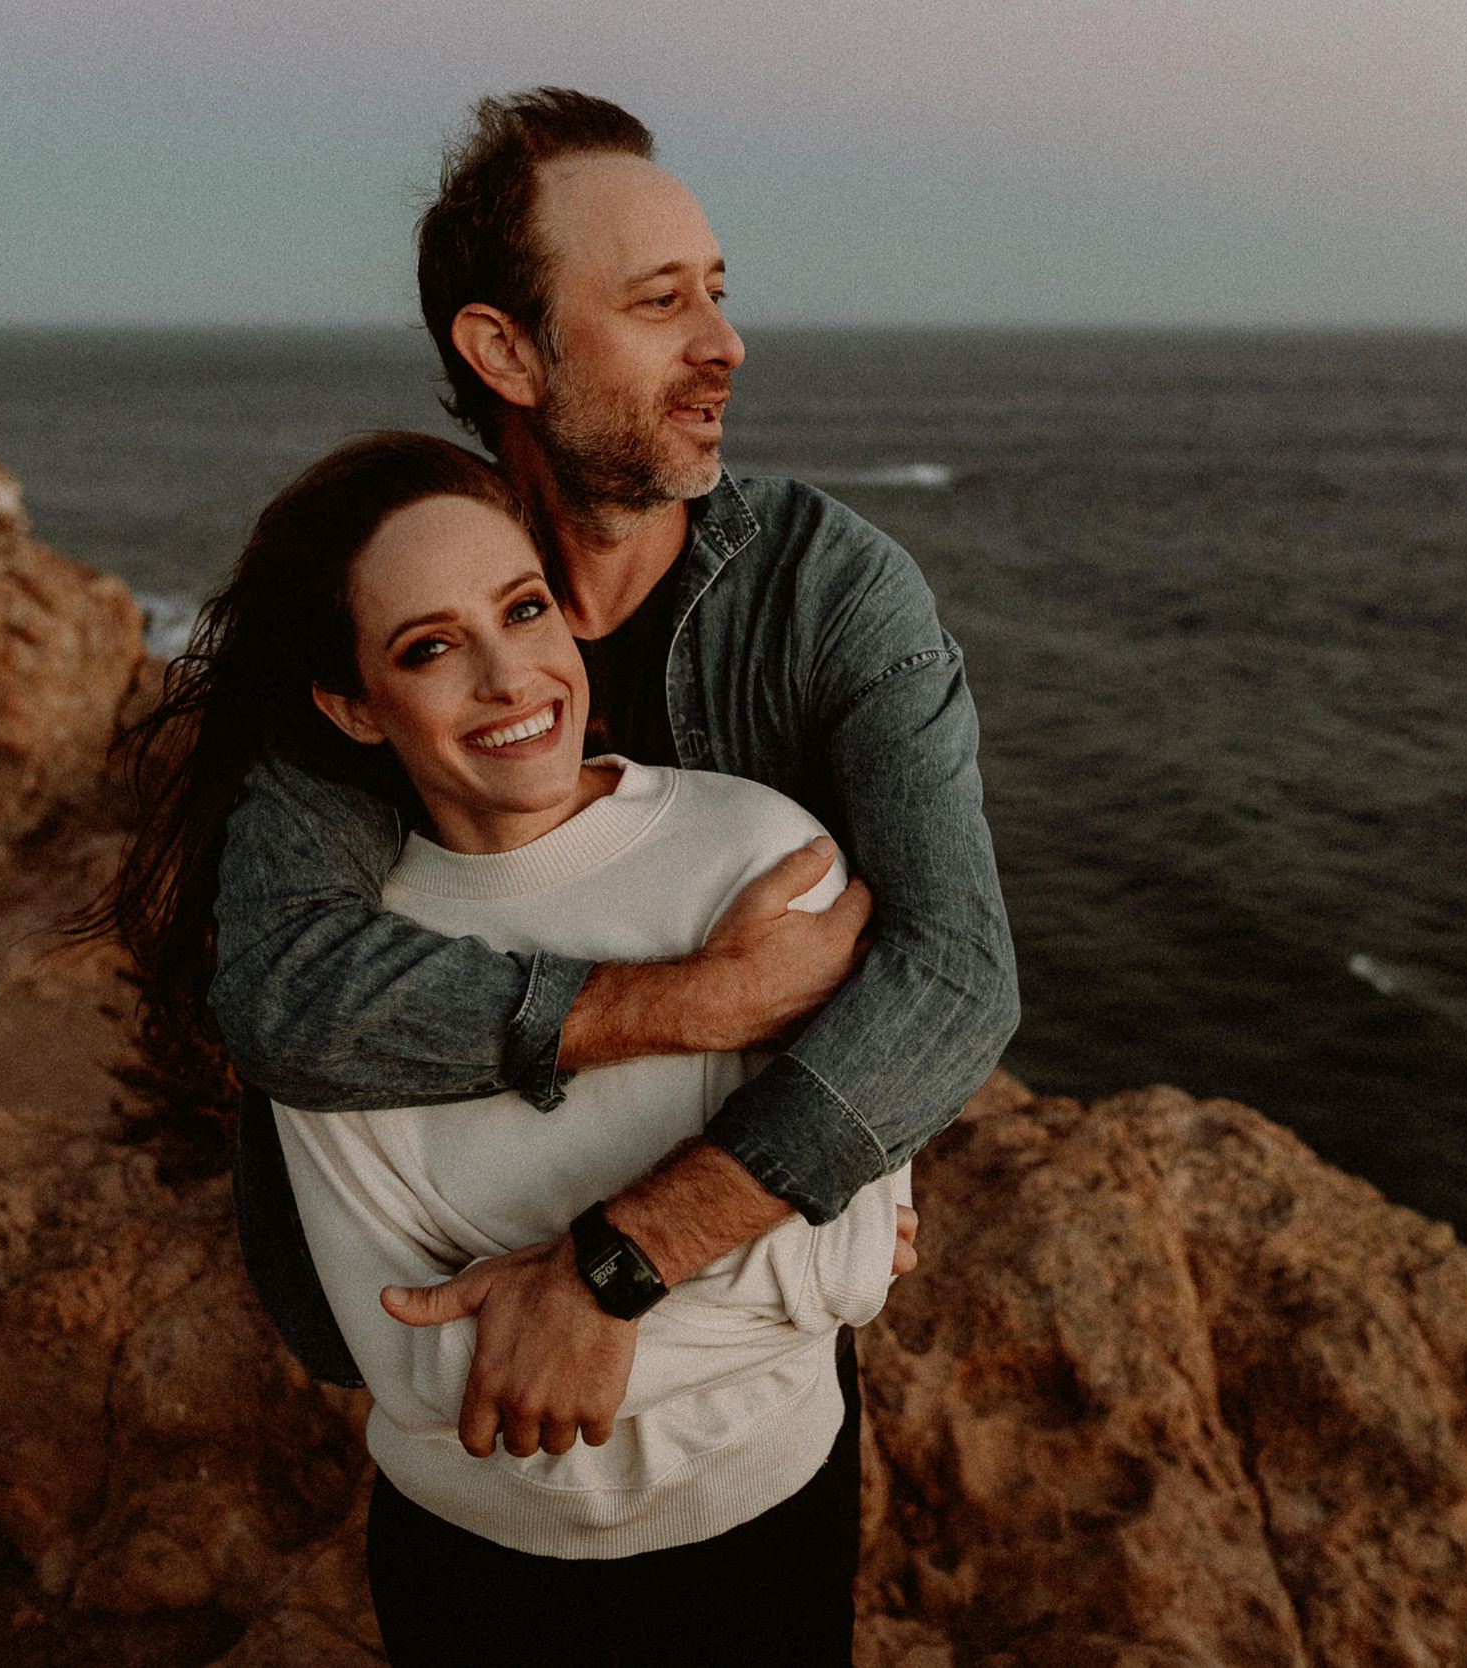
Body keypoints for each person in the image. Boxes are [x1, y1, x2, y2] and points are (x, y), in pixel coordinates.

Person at [211, 86, 1018, 1470]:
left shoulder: (832, 597)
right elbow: (282, 990)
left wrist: (619, 1263)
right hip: (441, 1354)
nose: (726, 346)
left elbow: (955, 980)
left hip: (740, 1390)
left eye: (716, 291)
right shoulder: (400, 599)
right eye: (661, 305)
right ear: (505, 350)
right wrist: (703, 1006)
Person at [96, 431, 915, 1663]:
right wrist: (765, 1272)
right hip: (477, 1567)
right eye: (428, 647)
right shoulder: (350, 980)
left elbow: (861, 1253)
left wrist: (581, 1304)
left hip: (766, 1519)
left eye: (523, 608)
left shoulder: (758, 853)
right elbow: (417, 1370)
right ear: (351, 705)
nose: (506, 676)